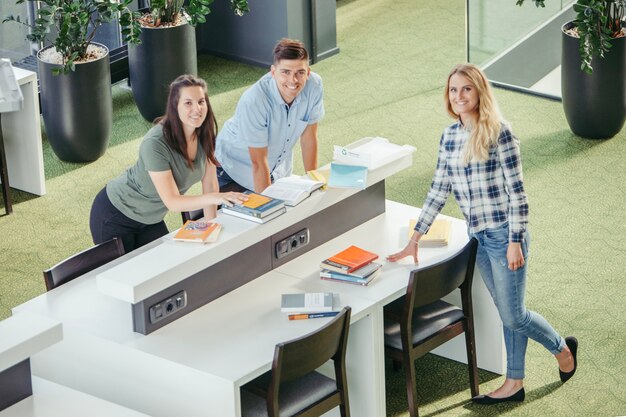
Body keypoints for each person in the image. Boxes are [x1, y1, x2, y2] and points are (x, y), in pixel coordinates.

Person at [387, 63, 578, 404]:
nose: (458, 96)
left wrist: (516, 241)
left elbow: (518, 193)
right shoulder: (448, 136)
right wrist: (414, 239)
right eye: (452, 90)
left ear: (478, 92)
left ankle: (562, 349)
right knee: (510, 310)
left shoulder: (499, 133)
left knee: (513, 314)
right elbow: (438, 190)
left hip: (506, 236)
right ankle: (514, 383)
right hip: (478, 237)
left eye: (466, 89)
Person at [90, 74, 248, 253]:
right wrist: (217, 198)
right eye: (188, 103)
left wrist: (212, 227)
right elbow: (173, 202)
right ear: (175, 106)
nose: (197, 109)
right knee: (125, 275)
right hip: (115, 215)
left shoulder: (204, 132)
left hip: (151, 219)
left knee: (165, 265)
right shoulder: (155, 143)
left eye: (201, 101)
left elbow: (210, 183)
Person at [214, 38, 324, 193]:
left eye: (300, 72)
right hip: (232, 169)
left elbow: (309, 138)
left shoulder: (314, 85)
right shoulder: (255, 100)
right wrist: (268, 206)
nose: (293, 80)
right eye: (285, 72)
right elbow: (258, 163)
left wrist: (313, 184)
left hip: (273, 169)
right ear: (273, 72)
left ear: (308, 72)